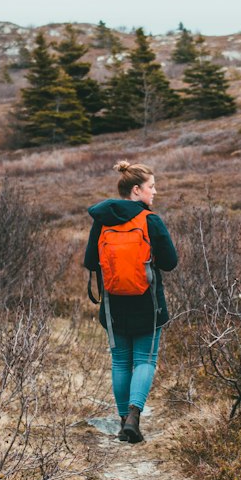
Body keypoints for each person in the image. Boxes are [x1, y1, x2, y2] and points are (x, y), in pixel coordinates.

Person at [84, 160, 178, 443]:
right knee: (145, 360)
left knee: (121, 362)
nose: (155, 192)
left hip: (114, 306)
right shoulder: (150, 220)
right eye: (151, 187)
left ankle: (124, 419)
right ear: (136, 190)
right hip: (147, 304)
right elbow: (170, 263)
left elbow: (90, 261)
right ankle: (135, 417)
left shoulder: (102, 220)